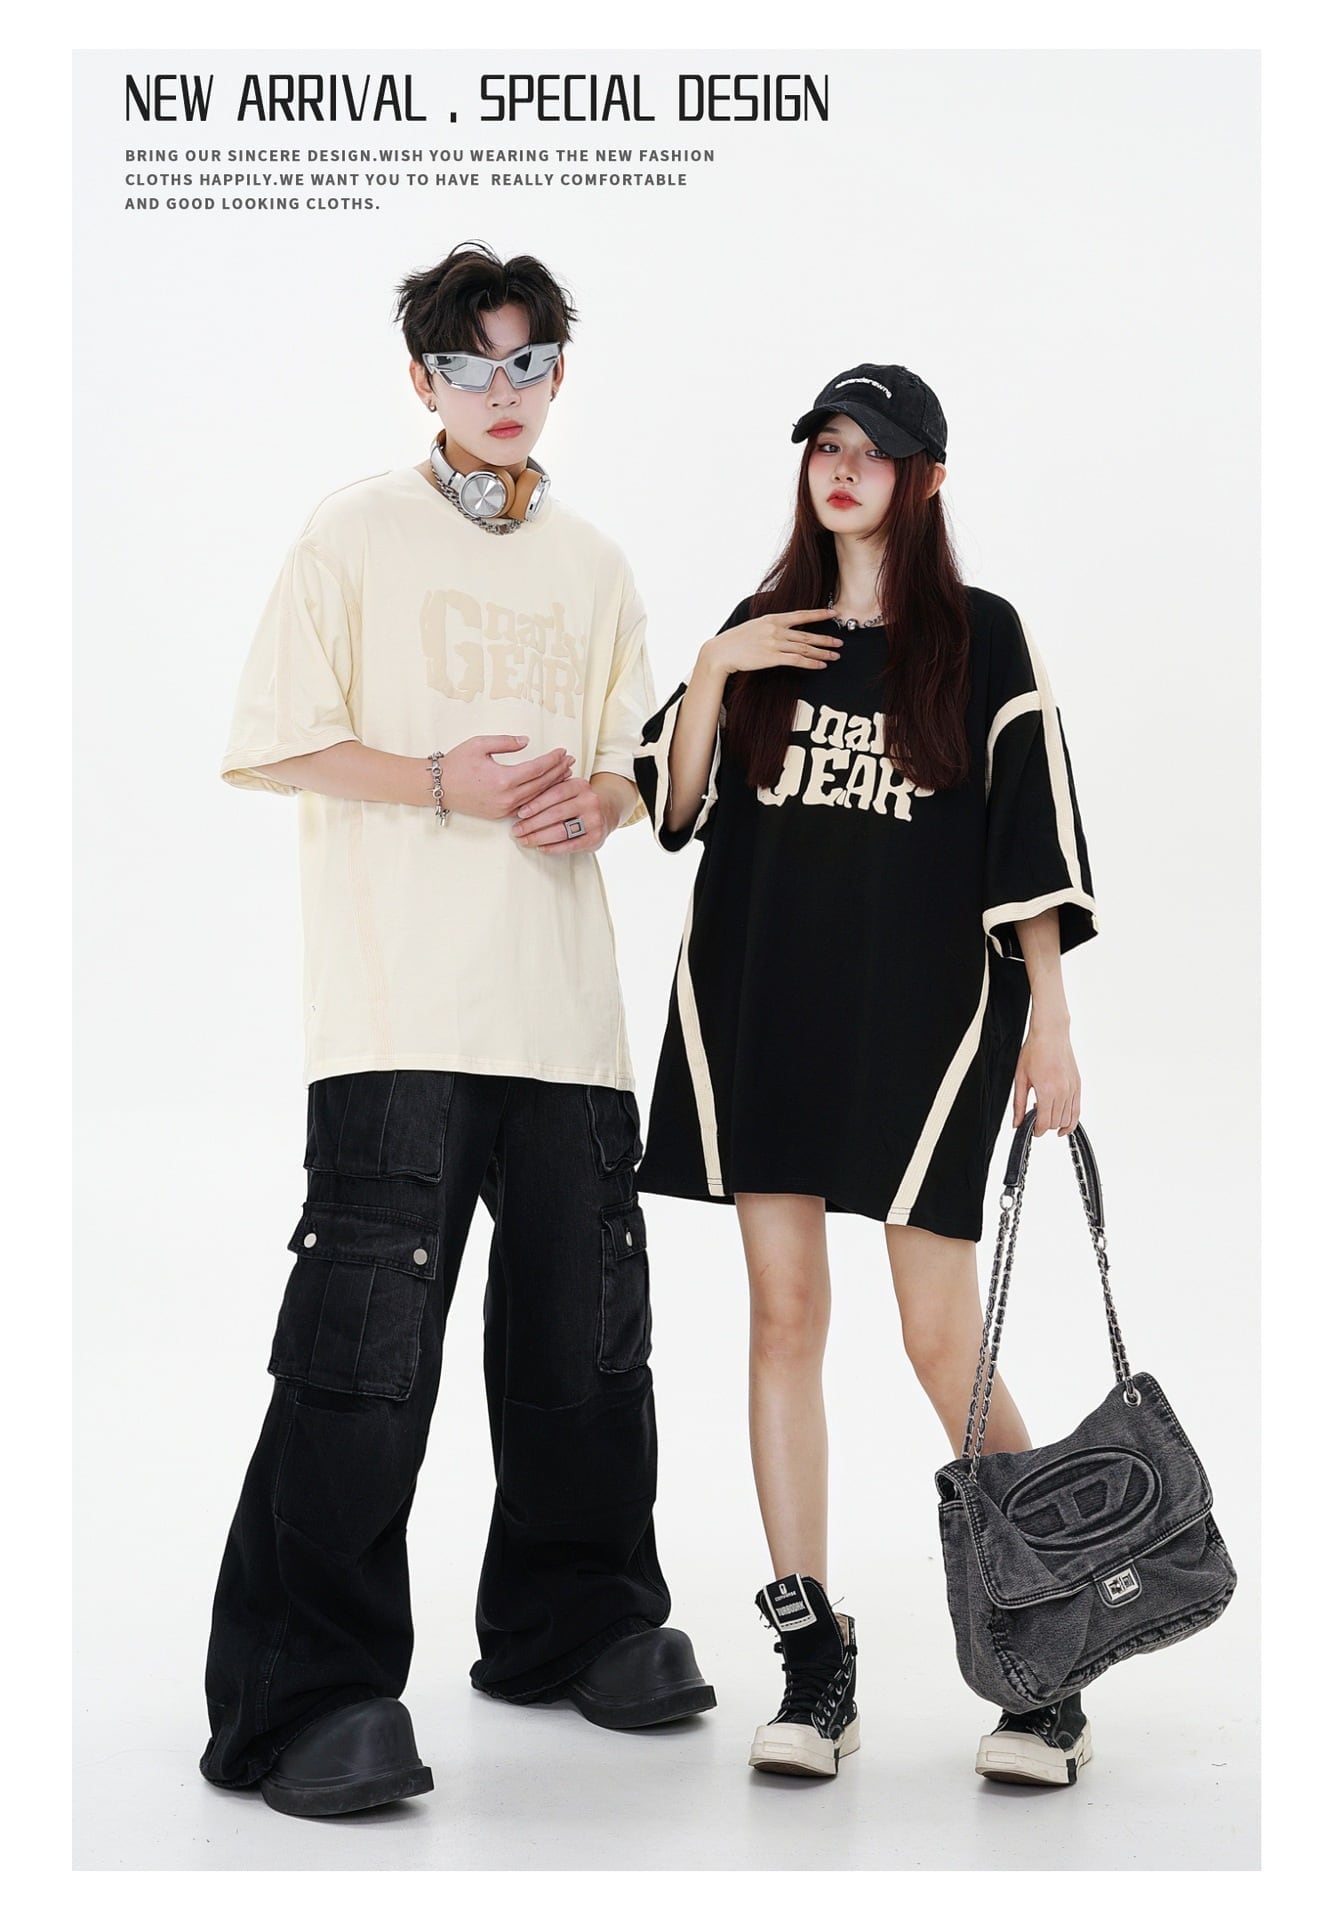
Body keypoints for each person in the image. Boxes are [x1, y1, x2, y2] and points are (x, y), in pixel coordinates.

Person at [199, 241, 714, 1820]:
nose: (505, 391)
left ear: (559, 373)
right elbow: (277, 741)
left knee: (585, 1344)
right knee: (363, 1362)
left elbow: (630, 764)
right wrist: (442, 784)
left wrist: (600, 802)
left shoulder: (595, 564)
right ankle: (306, 1697)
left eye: (529, 361)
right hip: (399, 1006)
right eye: (473, 364)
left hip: (563, 1014)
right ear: (422, 379)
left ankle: (577, 1623)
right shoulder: (353, 532)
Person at [632, 364, 1098, 1786]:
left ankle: (1049, 1649)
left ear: (925, 479)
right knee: (782, 1318)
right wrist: (716, 664)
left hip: (924, 1023)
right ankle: (812, 1660)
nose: (841, 469)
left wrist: (1050, 1023)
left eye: (872, 451)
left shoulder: (981, 636)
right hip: (765, 1006)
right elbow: (675, 805)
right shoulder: (760, 630)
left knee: (940, 1339)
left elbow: (1027, 841)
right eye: (825, 446)